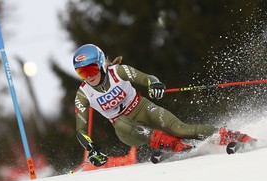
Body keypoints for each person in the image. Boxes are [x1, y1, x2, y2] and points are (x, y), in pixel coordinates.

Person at [73, 44, 255, 167]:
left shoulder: (117, 72)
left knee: (181, 129)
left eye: (92, 69)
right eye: (82, 72)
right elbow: (80, 130)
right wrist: (92, 150)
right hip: (128, 130)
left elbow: (148, 79)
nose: (88, 76)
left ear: (101, 64)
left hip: (143, 108)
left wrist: (155, 85)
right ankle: (175, 146)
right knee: (120, 122)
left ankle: (235, 136)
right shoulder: (83, 94)